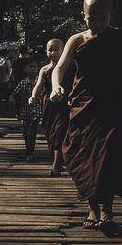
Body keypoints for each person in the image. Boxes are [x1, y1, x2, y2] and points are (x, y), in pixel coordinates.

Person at [50, 0, 122, 235]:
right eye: (92, 19)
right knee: (82, 157)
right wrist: (56, 86)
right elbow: (59, 69)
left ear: (111, 16)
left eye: (103, 18)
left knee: (108, 158)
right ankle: (92, 208)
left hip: (112, 107)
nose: (97, 24)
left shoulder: (118, 39)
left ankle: (107, 210)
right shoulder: (77, 40)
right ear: (83, 16)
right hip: (83, 106)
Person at [29, 38, 71, 176]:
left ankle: (56, 166)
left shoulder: (70, 66)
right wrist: (33, 96)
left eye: (56, 49)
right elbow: (38, 85)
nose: (53, 52)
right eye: (50, 50)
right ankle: (57, 160)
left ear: (63, 50)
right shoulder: (45, 69)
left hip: (65, 103)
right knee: (49, 132)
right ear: (46, 51)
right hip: (49, 104)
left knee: (60, 131)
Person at [11, 59, 43, 162]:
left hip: (37, 112)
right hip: (25, 112)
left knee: (32, 132)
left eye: (35, 67)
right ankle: (28, 149)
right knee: (26, 132)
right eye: (30, 67)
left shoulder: (40, 82)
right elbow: (15, 95)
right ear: (25, 69)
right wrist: (13, 101)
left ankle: (30, 153)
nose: (33, 69)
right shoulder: (22, 83)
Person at [10, 45, 32, 119]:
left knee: (18, 97)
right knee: (28, 95)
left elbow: (12, 72)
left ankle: (18, 113)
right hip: (28, 79)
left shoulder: (15, 61)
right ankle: (28, 112)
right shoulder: (29, 60)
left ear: (19, 51)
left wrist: (10, 80)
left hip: (17, 80)